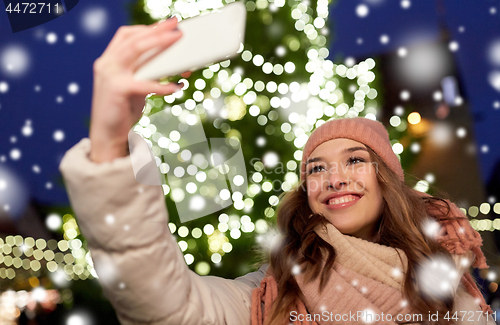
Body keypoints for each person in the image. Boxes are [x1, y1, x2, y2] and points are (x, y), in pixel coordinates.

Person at [59, 19, 496, 325]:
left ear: (389, 181)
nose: (334, 178)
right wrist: (111, 144)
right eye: (316, 169)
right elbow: (164, 304)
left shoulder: (448, 290)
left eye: (355, 160)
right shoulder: (271, 296)